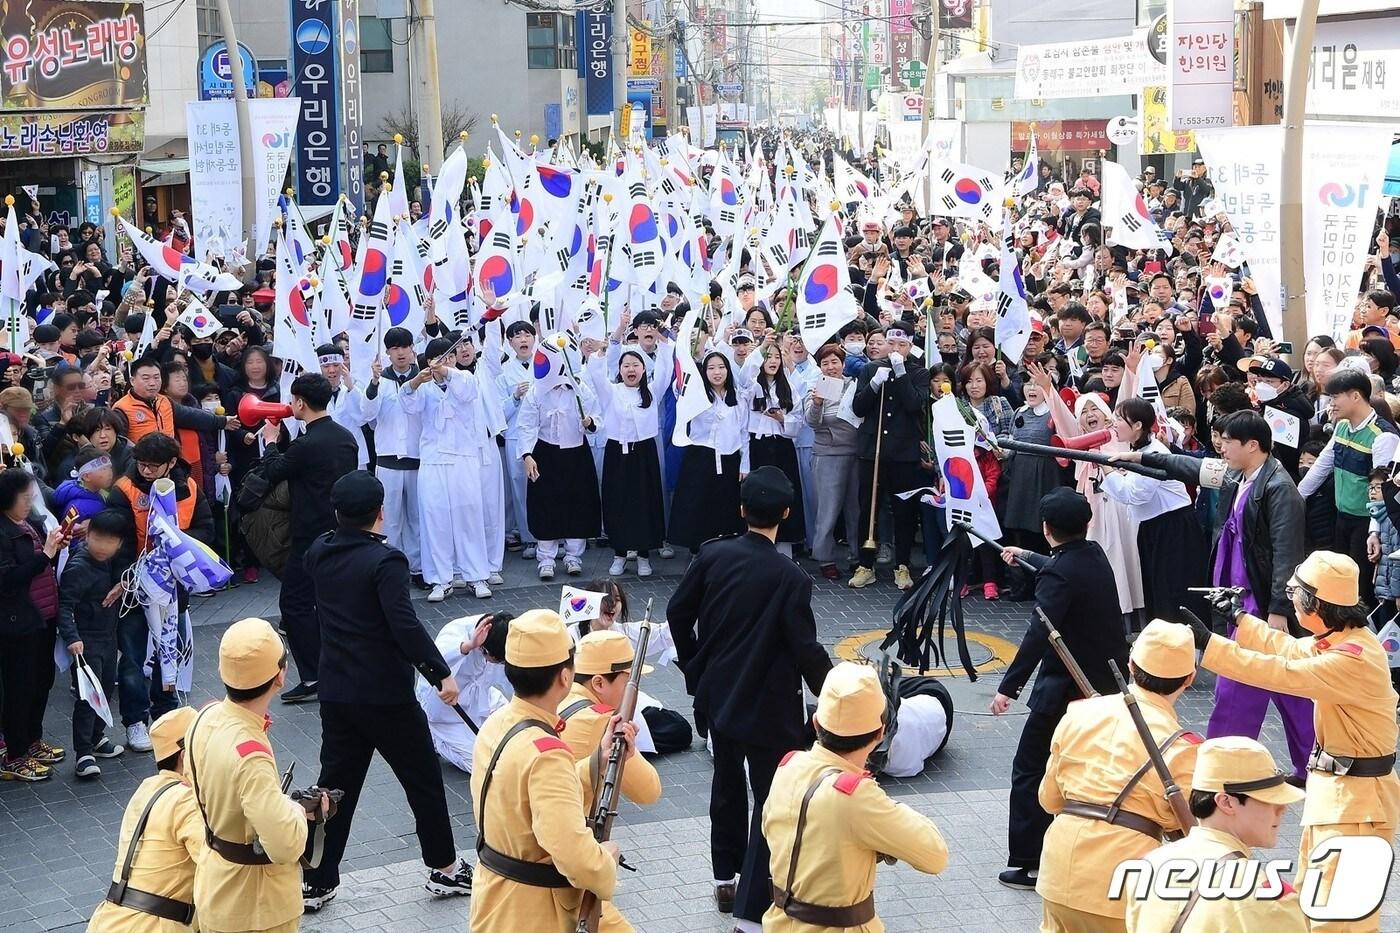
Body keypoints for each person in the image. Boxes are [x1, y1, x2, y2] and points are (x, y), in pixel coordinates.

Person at [1181, 551, 1400, 933]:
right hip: (1343, 798)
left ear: (1316, 604)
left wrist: (1211, 644)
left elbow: (1281, 672)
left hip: (1356, 805)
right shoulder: (1345, 639)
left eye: (1296, 593)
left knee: (1339, 916)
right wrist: (1240, 619)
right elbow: (1290, 649)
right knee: (1315, 905)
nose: (1291, 598)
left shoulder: (1351, 659)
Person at [297, 471, 473, 910]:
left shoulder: (318, 550)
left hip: (337, 690)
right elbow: (404, 625)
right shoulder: (385, 561)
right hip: (385, 694)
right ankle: (444, 869)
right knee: (422, 782)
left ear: (336, 512)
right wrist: (440, 673)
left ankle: (317, 880)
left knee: (334, 789)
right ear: (380, 511)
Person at [667, 466, 833, 925]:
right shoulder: (791, 576)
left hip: (718, 697)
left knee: (725, 787)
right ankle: (760, 891)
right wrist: (836, 692)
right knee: (771, 797)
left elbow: (677, 612)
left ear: (741, 511)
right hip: (770, 707)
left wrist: (693, 666)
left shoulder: (713, 554)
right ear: (786, 513)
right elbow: (805, 649)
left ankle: (725, 879)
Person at [1122, 409, 1313, 775]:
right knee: (1287, 687)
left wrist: (1277, 610)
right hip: (1238, 597)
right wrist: (1141, 456)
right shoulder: (1239, 475)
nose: (1220, 447)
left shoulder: (1279, 489)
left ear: (1252, 445)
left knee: (1239, 684)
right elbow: (1190, 466)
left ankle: (1222, 768)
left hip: (1257, 603)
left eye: (1227, 441)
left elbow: (1287, 553)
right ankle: (1305, 765)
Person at [990, 488, 1129, 890]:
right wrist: (1027, 556)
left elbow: (1039, 633)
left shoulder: (1059, 573)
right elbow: (1061, 567)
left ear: (1046, 528)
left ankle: (1028, 862)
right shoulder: (1095, 555)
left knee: (1031, 769)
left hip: (1067, 690)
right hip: (1105, 686)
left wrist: (1008, 688)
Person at [1037, 620, 1202, 932]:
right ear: (1190, 678)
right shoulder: (1185, 747)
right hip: (1123, 883)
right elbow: (1188, 828)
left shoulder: (1079, 714)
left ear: (1130, 664)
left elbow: (1049, 800)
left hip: (1058, 871)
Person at [761, 663, 949, 932]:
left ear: (816, 723)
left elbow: (772, 831)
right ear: (881, 733)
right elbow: (935, 855)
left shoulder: (789, 765)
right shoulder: (857, 796)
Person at [467, 609, 623, 932]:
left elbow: (525, 799)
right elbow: (574, 856)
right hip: (534, 915)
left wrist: (597, 761)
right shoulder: (547, 754)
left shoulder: (495, 724)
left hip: (493, 898)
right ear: (566, 677)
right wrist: (606, 861)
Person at [186, 618, 320, 933]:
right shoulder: (251, 754)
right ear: (280, 677)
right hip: (256, 906)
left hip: (215, 883)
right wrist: (298, 812)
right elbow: (284, 845)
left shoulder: (204, 717)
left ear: (222, 671)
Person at [1123, 736, 1308, 933]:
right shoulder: (1268, 895)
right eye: (1269, 799)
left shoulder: (1149, 865)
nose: (1282, 809)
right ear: (1227, 802)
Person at [257, 372, 359, 703]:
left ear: (300, 402)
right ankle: (340, 667)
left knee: (295, 603)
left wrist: (271, 441)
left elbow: (274, 470)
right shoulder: (344, 437)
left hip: (309, 535)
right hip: (342, 530)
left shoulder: (307, 443)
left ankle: (314, 675)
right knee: (332, 602)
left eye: (292, 400)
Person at [558, 630, 664, 932]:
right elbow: (649, 791)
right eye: (627, 682)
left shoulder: (553, 702)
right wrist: (628, 752)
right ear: (599, 683)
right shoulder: (599, 720)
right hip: (572, 863)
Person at [88, 706, 203, 931]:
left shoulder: (146, 789)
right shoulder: (186, 800)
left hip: (110, 921)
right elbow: (219, 866)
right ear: (185, 757)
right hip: (154, 926)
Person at [400, 337, 493, 601]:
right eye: (438, 358)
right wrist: (418, 380)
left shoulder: (465, 379)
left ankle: (476, 576)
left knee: (468, 517)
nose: (445, 362)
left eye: (449, 357)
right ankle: (440, 579)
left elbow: (466, 390)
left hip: (463, 457)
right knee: (435, 518)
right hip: (433, 459)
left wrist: (447, 371)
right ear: (428, 361)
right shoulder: (424, 388)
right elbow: (407, 403)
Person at [1298, 368, 1399, 608]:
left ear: (1355, 396)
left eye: (1335, 397)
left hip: (1366, 522)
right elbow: (1322, 464)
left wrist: (1374, 531)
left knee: (1360, 587)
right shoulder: (1342, 427)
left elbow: (1380, 490)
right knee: (1340, 583)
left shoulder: (1382, 436)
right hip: (1341, 517)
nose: (1331, 404)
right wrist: (1296, 497)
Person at [1102, 397, 1204, 626]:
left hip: (1173, 528)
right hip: (1152, 527)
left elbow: (1135, 495)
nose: (1113, 423)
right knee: (1155, 588)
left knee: (1172, 591)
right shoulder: (1137, 448)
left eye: (1119, 419)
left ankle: (1182, 648)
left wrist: (1108, 471)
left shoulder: (1156, 452)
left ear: (1138, 425)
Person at [0, 467, 68, 781]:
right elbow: (9, 580)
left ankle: (30, 739)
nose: (30, 502)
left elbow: (39, 563)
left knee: (41, 680)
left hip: (42, 613)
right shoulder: (3, 532)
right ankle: (14, 755)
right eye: (24, 498)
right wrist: (46, 555)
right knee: (18, 688)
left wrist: (54, 547)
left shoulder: (26, 522)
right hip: (16, 622)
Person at [849, 326, 930, 590]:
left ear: (910, 346)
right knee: (867, 508)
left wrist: (901, 373)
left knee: (904, 511)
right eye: (891, 343)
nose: (895, 349)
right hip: (872, 450)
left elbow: (915, 405)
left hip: (903, 453)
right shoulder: (871, 369)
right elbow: (858, 407)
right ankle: (866, 564)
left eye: (901, 345)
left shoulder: (919, 372)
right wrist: (874, 385)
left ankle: (902, 565)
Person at [518, 341, 601, 580]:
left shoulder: (580, 388)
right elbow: (526, 424)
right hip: (546, 452)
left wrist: (590, 423)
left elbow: (596, 416)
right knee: (545, 504)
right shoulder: (537, 390)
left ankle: (574, 555)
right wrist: (527, 455)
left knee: (577, 503)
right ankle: (546, 558)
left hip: (576, 453)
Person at [58, 508, 129, 779]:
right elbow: (65, 606)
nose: (102, 546)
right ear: (88, 536)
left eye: (109, 542)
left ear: (119, 544)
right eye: (97, 539)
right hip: (86, 642)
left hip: (108, 638)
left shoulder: (112, 563)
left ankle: (97, 738)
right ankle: (83, 753)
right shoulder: (79, 567)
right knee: (87, 696)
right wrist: (73, 638)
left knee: (106, 688)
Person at [585, 343, 667, 576]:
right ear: (620, 369)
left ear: (643, 369)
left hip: (644, 454)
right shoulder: (611, 391)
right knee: (617, 502)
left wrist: (663, 341)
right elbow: (596, 374)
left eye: (636, 365)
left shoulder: (652, 391)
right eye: (626, 365)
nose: (631, 369)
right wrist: (601, 352)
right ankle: (619, 554)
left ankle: (643, 555)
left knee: (645, 503)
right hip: (617, 453)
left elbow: (665, 369)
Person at [669, 351, 749, 553]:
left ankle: (725, 551)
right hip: (700, 458)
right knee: (699, 505)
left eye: (721, 367)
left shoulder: (738, 398)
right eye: (711, 368)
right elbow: (679, 389)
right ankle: (698, 552)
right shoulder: (696, 396)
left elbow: (744, 433)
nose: (717, 372)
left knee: (726, 507)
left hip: (729, 459)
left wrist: (745, 463)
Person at [362, 326, 424, 585]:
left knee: (417, 518)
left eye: (404, 347)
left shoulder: (424, 377)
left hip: (418, 458)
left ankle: (419, 568)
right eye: (394, 348)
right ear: (387, 352)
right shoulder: (381, 380)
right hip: (388, 460)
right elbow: (367, 415)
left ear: (412, 349)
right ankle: (393, 571)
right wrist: (374, 383)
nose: (400, 353)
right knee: (390, 520)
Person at [417, 611, 514, 772]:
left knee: (512, 733)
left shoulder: (505, 634)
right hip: (447, 712)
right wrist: (467, 646)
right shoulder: (455, 632)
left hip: (483, 698)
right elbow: (432, 661)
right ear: (484, 650)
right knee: (482, 764)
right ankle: (436, 740)